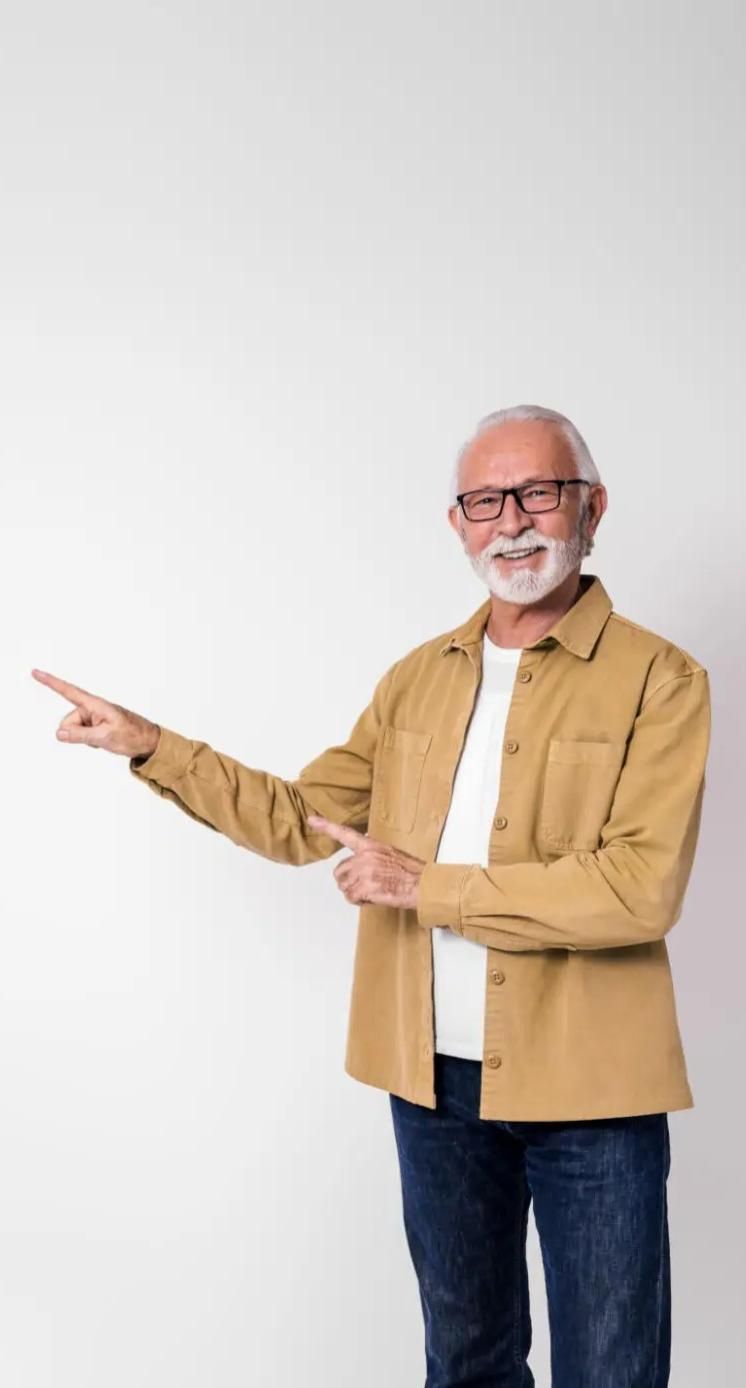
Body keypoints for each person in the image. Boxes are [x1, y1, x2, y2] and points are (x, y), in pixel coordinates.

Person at [31, 403, 711, 1387]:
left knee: (609, 1371)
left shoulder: (660, 679)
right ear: (456, 523)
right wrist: (152, 745)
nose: (510, 519)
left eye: (536, 492)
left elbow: (635, 887)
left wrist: (423, 885)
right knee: (464, 1362)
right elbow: (298, 816)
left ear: (590, 506)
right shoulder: (416, 679)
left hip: (590, 1090)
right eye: (483, 499)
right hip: (429, 1079)